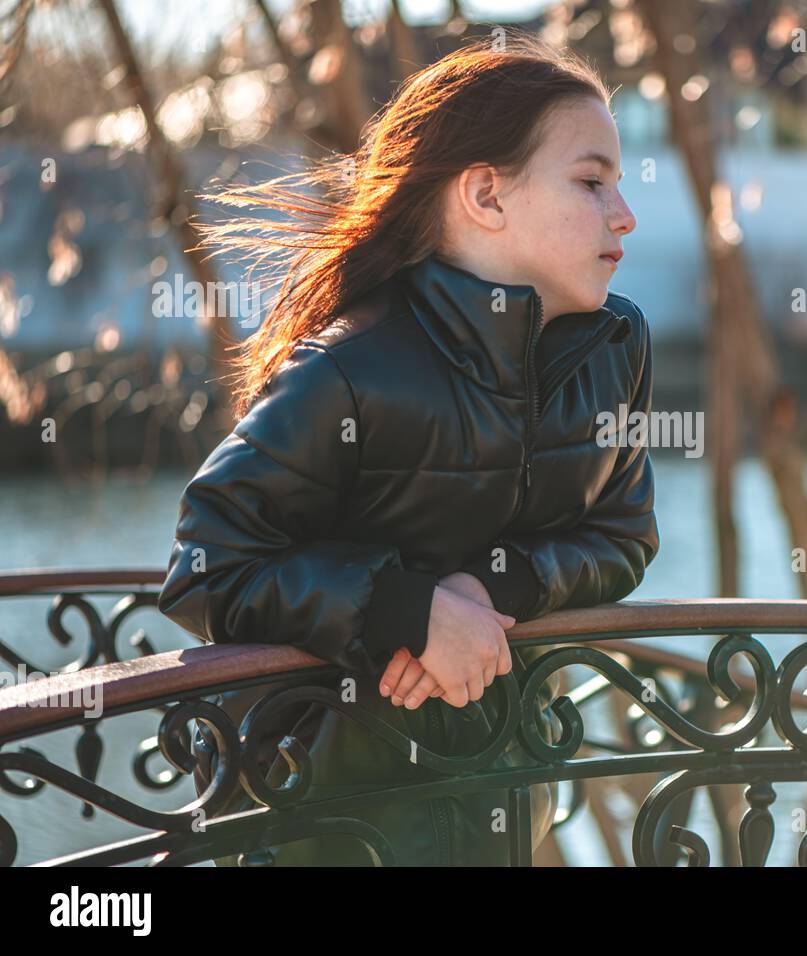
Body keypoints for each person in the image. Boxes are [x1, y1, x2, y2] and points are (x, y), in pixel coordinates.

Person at [157, 33, 659, 866]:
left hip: (504, 800)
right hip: (326, 820)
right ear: (487, 195)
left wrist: (488, 586)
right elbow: (208, 565)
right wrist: (407, 612)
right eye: (591, 181)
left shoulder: (615, 347)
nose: (624, 214)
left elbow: (624, 537)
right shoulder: (351, 368)